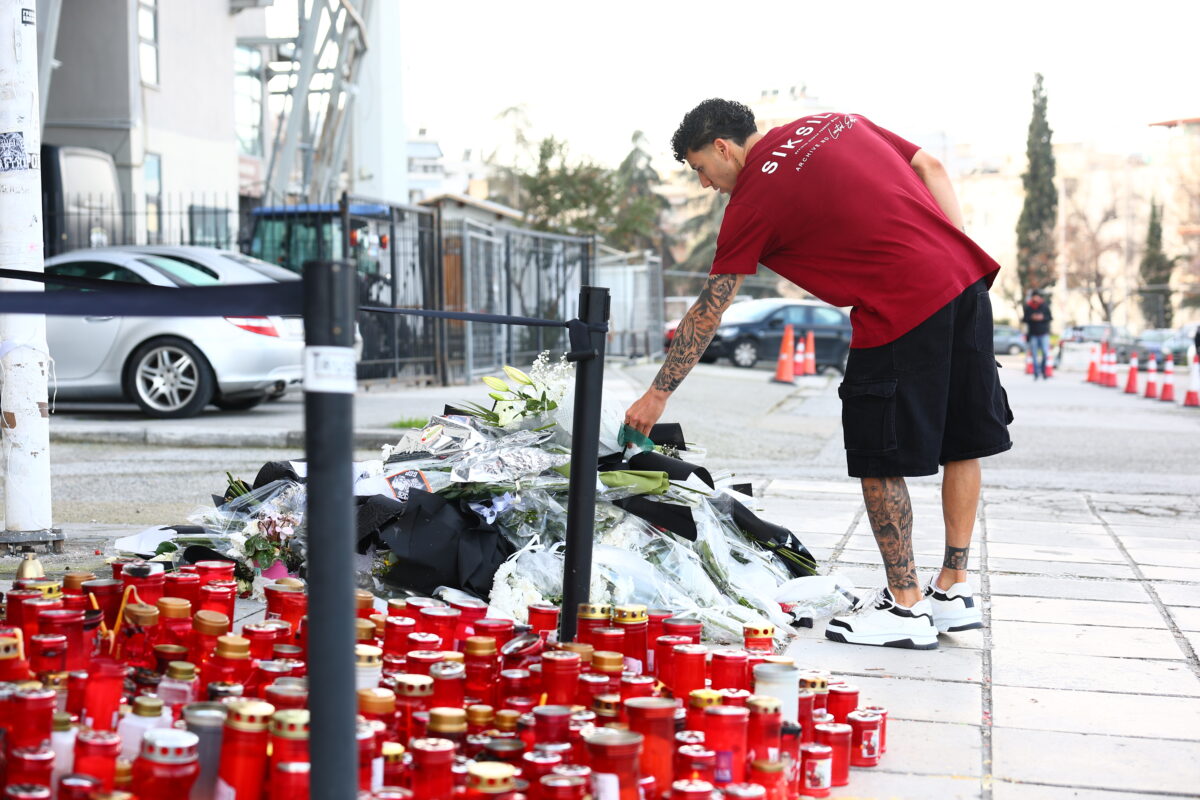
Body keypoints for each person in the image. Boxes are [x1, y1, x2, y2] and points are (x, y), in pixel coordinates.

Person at [624, 99, 1013, 650]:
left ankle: (906, 609)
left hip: (897, 303)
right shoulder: (834, 121)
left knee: (877, 453)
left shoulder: (752, 200)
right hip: (963, 276)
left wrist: (658, 394)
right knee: (962, 440)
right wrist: (948, 255)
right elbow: (932, 168)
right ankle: (953, 587)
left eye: (700, 170)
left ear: (722, 148)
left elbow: (711, 307)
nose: (707, 184)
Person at [1023, 290, 1053, 378]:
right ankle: (1036, 372)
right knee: (1034, 354)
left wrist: (1042, 318)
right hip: (1033, 334)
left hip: (1044, 333)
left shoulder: (1044, 306)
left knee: (1045, 353)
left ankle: (1043, 371)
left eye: (1037, 296)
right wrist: (1032, 318)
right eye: (1034, 296)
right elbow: (1024, 319)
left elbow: (1050, 317)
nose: (1035, 298)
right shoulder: (1028, 307)